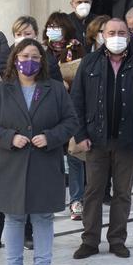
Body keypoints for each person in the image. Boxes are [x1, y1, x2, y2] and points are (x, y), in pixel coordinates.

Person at [0, 39, 79, 265]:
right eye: (24, 56)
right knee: (14, 218)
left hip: (45, 164)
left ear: (42, 61)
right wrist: (10, 137)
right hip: (11, 164)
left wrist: (51, 137)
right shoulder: (2, 90)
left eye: (35, 56)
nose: (30, 61)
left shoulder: (55, 89)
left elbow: (70, 121)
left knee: (43, 218)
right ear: (15, 59)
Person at [70, 17, 133, 259]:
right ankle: (90, 240)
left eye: (121, 32)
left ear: (129, 35)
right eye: (111, 32)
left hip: (128, 142)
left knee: (122, 193)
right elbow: (76, 101)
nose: (116, 36)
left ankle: (117, 239)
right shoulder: (89, 63)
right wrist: (81, 134)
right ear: (102, 36)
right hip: (95, 140)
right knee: (93, 191)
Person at [43, 12, 86, 220]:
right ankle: (51, 200)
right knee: (52, 158)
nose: (54, 31)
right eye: (50, 26)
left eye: (58, 27)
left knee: (75, 155)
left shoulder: (76, 48)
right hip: (48, 110)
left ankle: (77, 199)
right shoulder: (41, 51)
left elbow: (85, 76)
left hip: (71, 108)